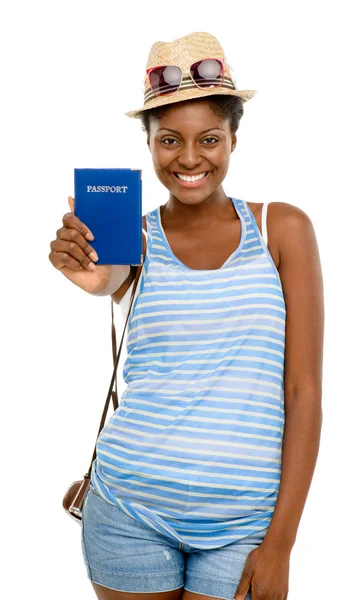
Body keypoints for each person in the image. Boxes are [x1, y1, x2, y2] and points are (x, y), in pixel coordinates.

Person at [49, 31, 324, 600]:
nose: (190, 158)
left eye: (210, 139)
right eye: (170, 139)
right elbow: (107, 279)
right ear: (149, 143)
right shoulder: (136, 238)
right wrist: (88, 273)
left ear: (234, 139)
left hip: (243, 526)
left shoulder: (283, 230)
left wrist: (281, 543)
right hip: (128, 510)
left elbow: (304, 393)